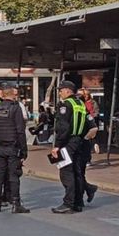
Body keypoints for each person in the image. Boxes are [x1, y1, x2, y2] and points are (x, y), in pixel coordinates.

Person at [51, 81, 97, 214]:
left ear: (68, 91)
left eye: (61, 90)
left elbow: (63, 128)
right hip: (79, 142)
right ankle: (78, 202)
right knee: (77, 172)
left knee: (66, 172)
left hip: (67, 142)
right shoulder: (80, 104)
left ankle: (68, 203)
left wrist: (57, 146)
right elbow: (90, 124)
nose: (59, 92)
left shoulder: (65, 105)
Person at [0, 82, 30, 213]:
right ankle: (16, 204)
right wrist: (24, 151)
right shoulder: (15, 108)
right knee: (13, 175)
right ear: (12, 94)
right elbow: (20, 131)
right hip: (12, 147)